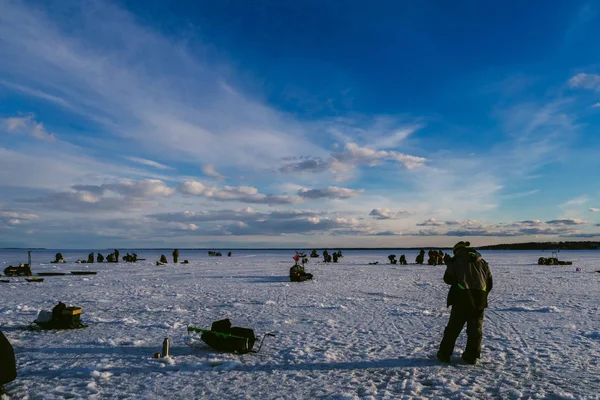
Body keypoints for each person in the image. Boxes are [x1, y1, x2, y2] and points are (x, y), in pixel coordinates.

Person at [437, 241, 493, 365]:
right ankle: (471, 356)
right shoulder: (482, 262)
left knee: (453, 328)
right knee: (475, 329)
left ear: (457, 250)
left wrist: (449, 265)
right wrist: (482, 295)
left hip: (461, 298)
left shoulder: (456, 260)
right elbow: (489, 282)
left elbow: (448, 279)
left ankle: (444, 354)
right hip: (479, 299)